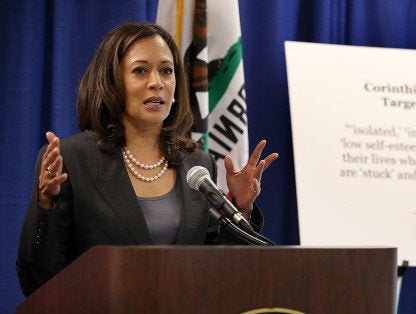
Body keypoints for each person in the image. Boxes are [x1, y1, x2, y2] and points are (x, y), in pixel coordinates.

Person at [16, 22, 278, 297]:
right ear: (112, 81)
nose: (157, 82)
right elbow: (37, 280)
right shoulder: (71, 160)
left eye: (166, 70)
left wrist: (242, 209)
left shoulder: (197, 166)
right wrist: (46, 204)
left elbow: (217, 272)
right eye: (140, 70)